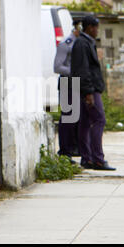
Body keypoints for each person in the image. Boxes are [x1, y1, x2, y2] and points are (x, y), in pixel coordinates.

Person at [71, 16, 115, 171]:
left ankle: (87, 158)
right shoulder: (82, 44)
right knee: (99, 120)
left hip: (86, 89)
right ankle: (97, 158)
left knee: (84, 122)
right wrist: (89, 92)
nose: (97, 31)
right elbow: (83, 70)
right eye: (96, 27)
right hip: (89, 89)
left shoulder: (85, 43)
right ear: (90, 28)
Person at [53, 21, 80, 158]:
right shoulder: (66, 44)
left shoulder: (81, 43)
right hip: (67, 82)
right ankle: (65, 150)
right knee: (68, 117)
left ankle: (75, 147)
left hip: (77, 82)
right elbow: (57, 67)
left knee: (77, 117)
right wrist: (75, 71)